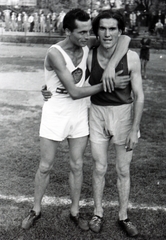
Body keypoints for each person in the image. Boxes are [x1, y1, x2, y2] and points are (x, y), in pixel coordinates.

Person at [21, 8, 130, 231]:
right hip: (56, 111)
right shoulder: (54, 53)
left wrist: (110, 67)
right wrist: (110, 84)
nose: (87, 36)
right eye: (81, 32)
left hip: (79, 112)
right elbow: (74, 91)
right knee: (45, 165)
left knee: (77, 165)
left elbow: (125, 38)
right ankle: (35, 209)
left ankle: (75, 211)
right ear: (68, 31)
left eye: (88, 31)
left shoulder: (86, 43)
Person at [86, 10, 144, 237]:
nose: (107, 33)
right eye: (102, 28)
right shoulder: (89, 54)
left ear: (120, 31)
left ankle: (123, 215)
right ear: (97, 31)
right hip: (97, 113)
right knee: (99, 167)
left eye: (112, 29)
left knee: (123, 169)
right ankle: (98, 212)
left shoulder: (131, 57)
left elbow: (139, 95)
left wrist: (134, 128)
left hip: (124, 115)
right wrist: (48, 90)